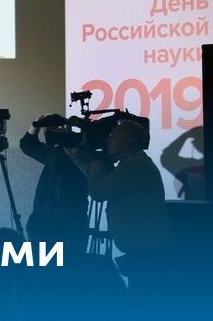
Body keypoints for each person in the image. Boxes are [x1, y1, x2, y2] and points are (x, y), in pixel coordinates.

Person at [67, 120, 175, 295]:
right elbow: (98, 178)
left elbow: (98, 191)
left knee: (146, 303)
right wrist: (76, 156)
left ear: (126, 142)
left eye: (113, 136)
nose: (107, 140)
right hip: (147, 253)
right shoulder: (132, 164)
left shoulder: (137, 166)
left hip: (149, 256)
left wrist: (97, 165)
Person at [19, 114, 89, 239]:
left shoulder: (77, 153)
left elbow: (56, 161)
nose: (53, 131)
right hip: (47, 216)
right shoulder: (52, 152)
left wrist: (61, 138)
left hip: (69, 219)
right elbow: (26, 144)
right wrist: (38, 122)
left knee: (70, 250)